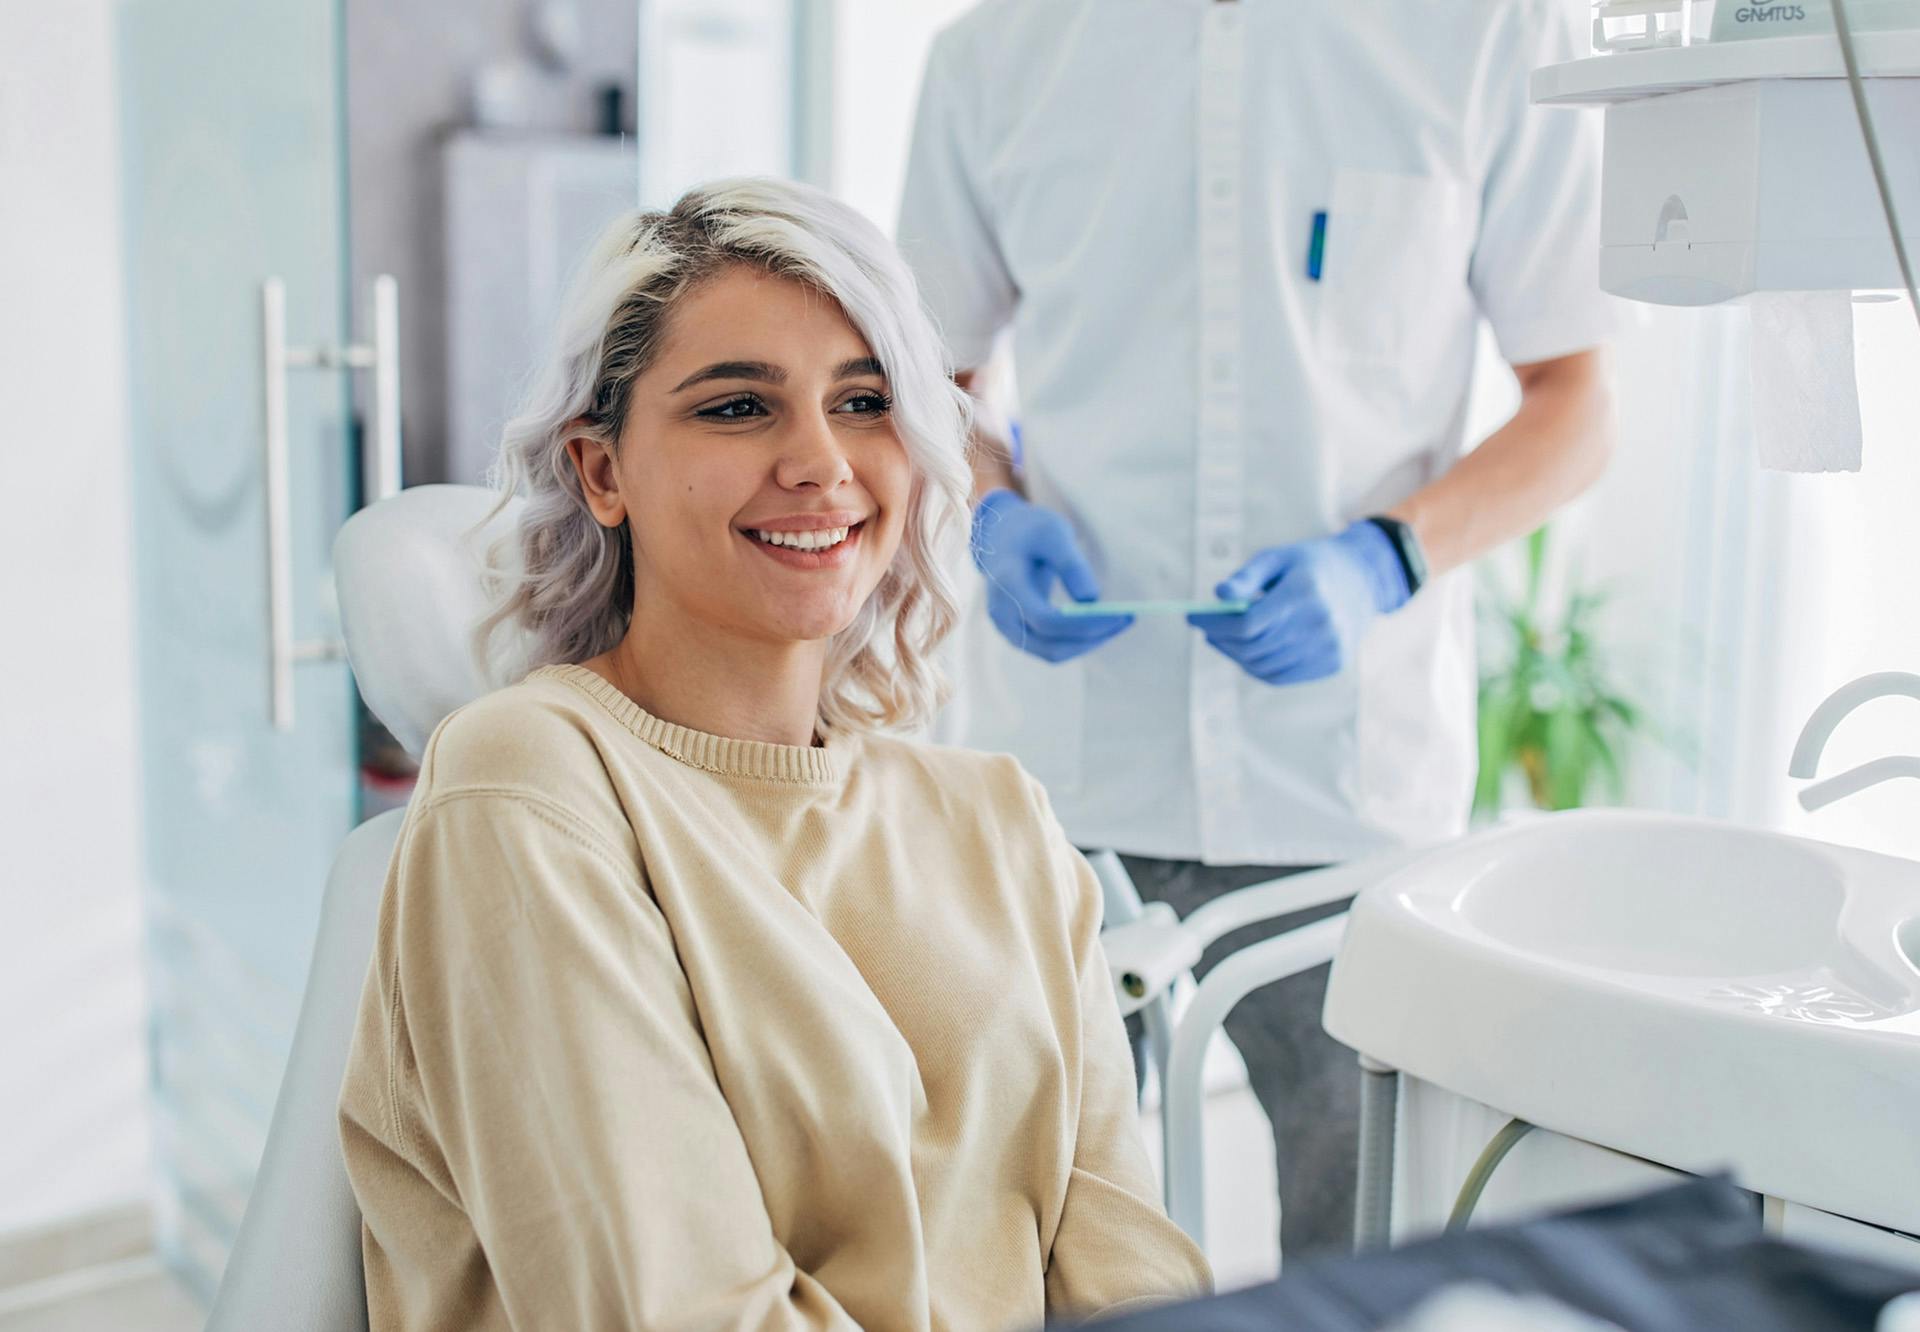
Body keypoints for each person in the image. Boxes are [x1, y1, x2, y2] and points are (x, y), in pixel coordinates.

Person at [336, 178, 1211, 1330]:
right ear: (601, 470)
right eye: (739, 408)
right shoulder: (532, 790)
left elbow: (1132, 1282)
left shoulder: (1002, 819)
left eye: (864, 401)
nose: (821, 462)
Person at [896, 0, 1618, 1261]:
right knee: (1029, 1241)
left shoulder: (1490, 33)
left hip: (1344, 796)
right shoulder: (997, 51)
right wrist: (992, 513)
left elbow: (1579, 406)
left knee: (1360, 1251)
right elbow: (923, 385)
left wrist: (1385, 558)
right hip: (1065, 794)